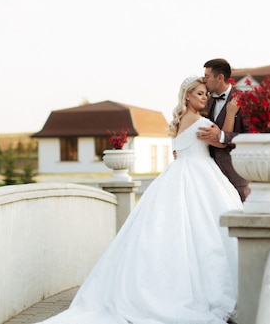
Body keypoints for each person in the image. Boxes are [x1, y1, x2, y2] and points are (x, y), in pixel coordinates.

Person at [37, 75, 243, 324]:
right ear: (187, 95)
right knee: (205, 231)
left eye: (205, 94)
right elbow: (221, 142)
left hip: (179, 173)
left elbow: (179, 151)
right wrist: (231, 112)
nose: (204, 97)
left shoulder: (179, 121)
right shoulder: (201, 122)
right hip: (200, 173)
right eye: (199, 93)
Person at [197, 58, 250, 202]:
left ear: (220, 78)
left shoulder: (244, 100)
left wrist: (222, 136)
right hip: (211, 175)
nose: (204, 80)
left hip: (236, 174)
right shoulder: (206, 101)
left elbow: (250, 137)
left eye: (207, 77)